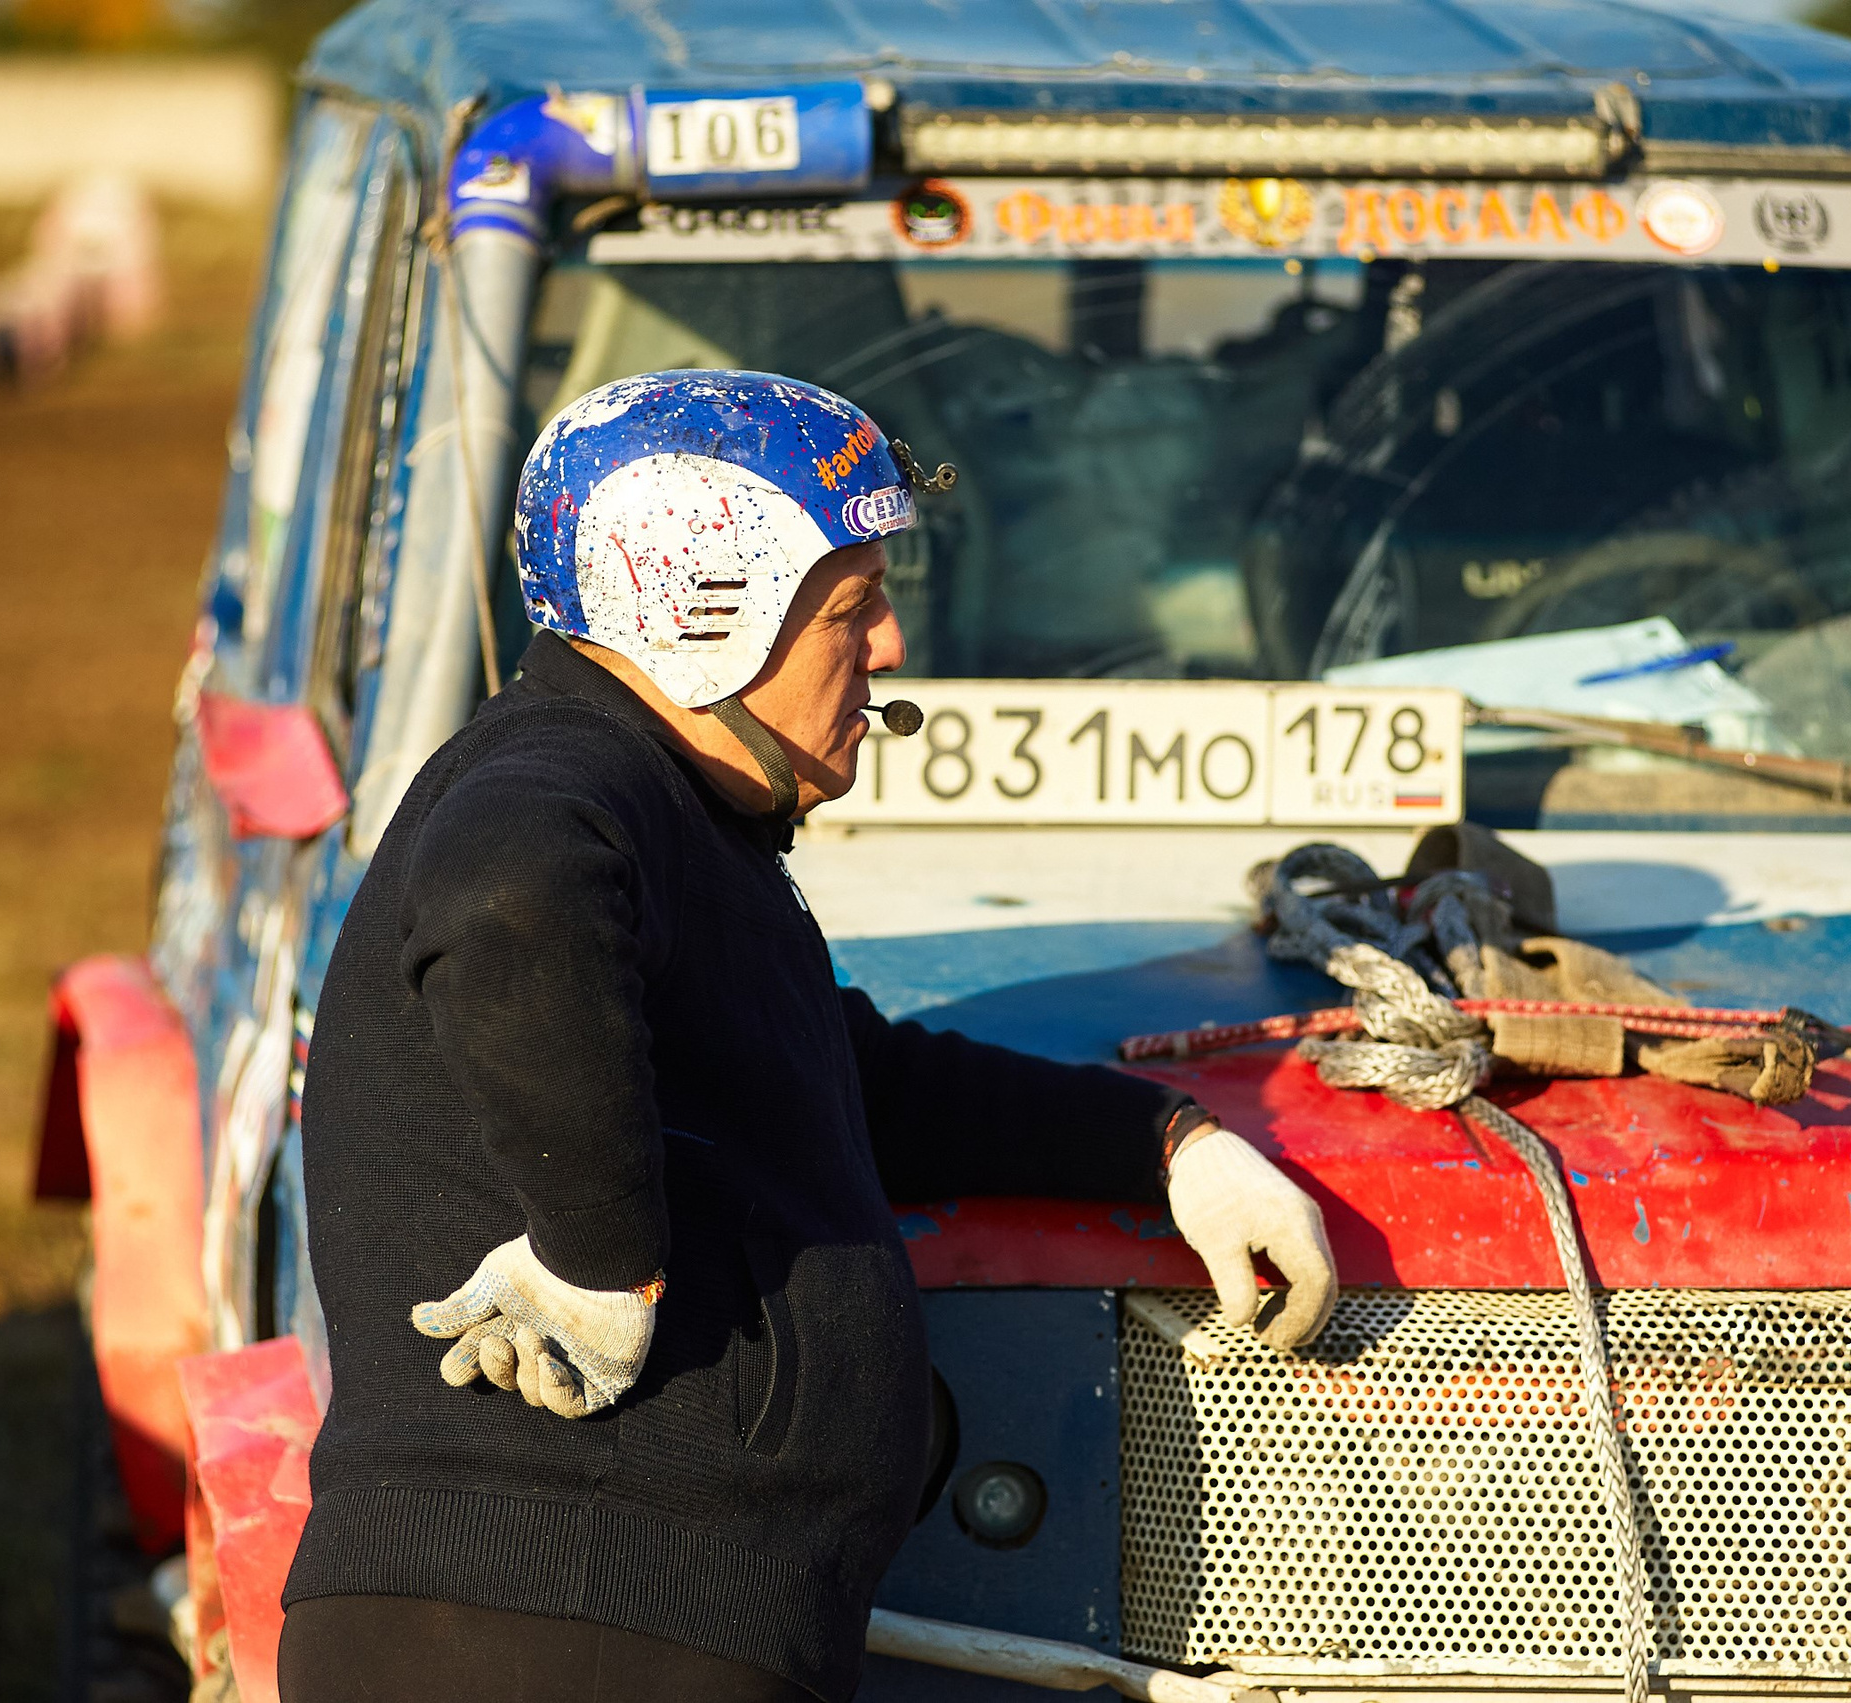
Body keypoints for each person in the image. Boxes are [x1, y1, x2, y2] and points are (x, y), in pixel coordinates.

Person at [279, 369, 1336, 1702]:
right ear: (698, 622)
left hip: (611, 1624)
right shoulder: (564, 780)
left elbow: (854, 1085)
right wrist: (600, 1261)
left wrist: (1170, 1147)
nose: (889, 645)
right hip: (556, 1631)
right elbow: (509, 901)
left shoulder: (672, 824)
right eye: (852, 607)